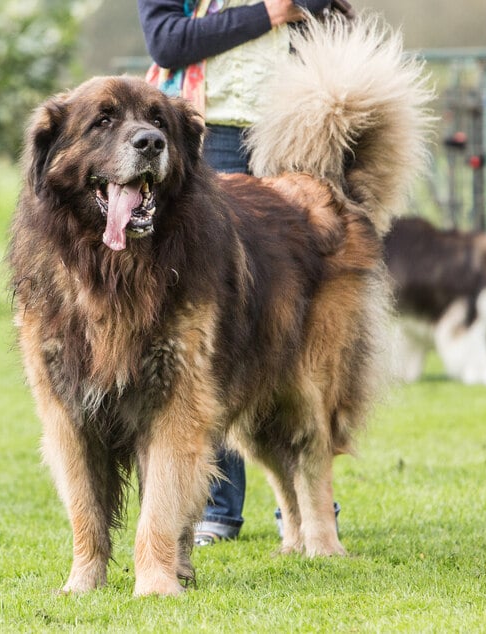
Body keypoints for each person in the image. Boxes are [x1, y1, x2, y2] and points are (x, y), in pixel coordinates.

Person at [137, 0, 342, 546]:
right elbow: (168, 41)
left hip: (296, 134)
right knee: (217, 327)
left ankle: (305, 510)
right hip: (213, 130)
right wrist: (268, 13)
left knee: (290, 330)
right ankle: (215, 511)